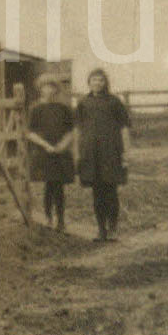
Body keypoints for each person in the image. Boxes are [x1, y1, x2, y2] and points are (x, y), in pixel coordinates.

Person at [75, 68, 131, 241]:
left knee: (111, 191)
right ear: (89, 82)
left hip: (111, 152)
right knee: (97, 192)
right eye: (93, 80)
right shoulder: (83, 102)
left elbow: (124, 128)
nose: (97, 83)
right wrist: (78, 153)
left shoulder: (114, 102)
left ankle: (113, 228)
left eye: (100, 80)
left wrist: (126, 153)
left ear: (105, 82)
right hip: (91, 153)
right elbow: (78, 130)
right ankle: (101, 229)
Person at [26, 77, 75, 231]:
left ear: (56, 89)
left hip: (60, 152)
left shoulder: (63, 108)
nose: (48, 90)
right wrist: (46, 145)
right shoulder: (35, 108)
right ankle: (48, 218)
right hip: (44, 151)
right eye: (45, 87)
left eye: (52, 87)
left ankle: (60, 220)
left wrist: (62, 145)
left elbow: (71, 130)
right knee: (48, 185)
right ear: (40, 89)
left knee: (59, 186)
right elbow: (29, 132)